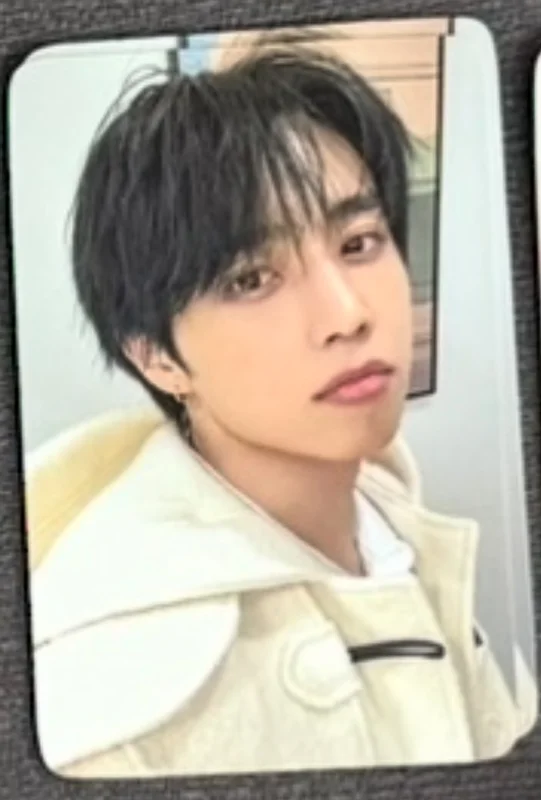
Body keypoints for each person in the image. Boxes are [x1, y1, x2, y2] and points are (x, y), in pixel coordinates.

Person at [28, 43, 537, 779]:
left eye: (359, 242)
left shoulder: (385, 505)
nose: (348, 313)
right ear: (157, 356)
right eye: (251, 279)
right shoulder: (107, 716)